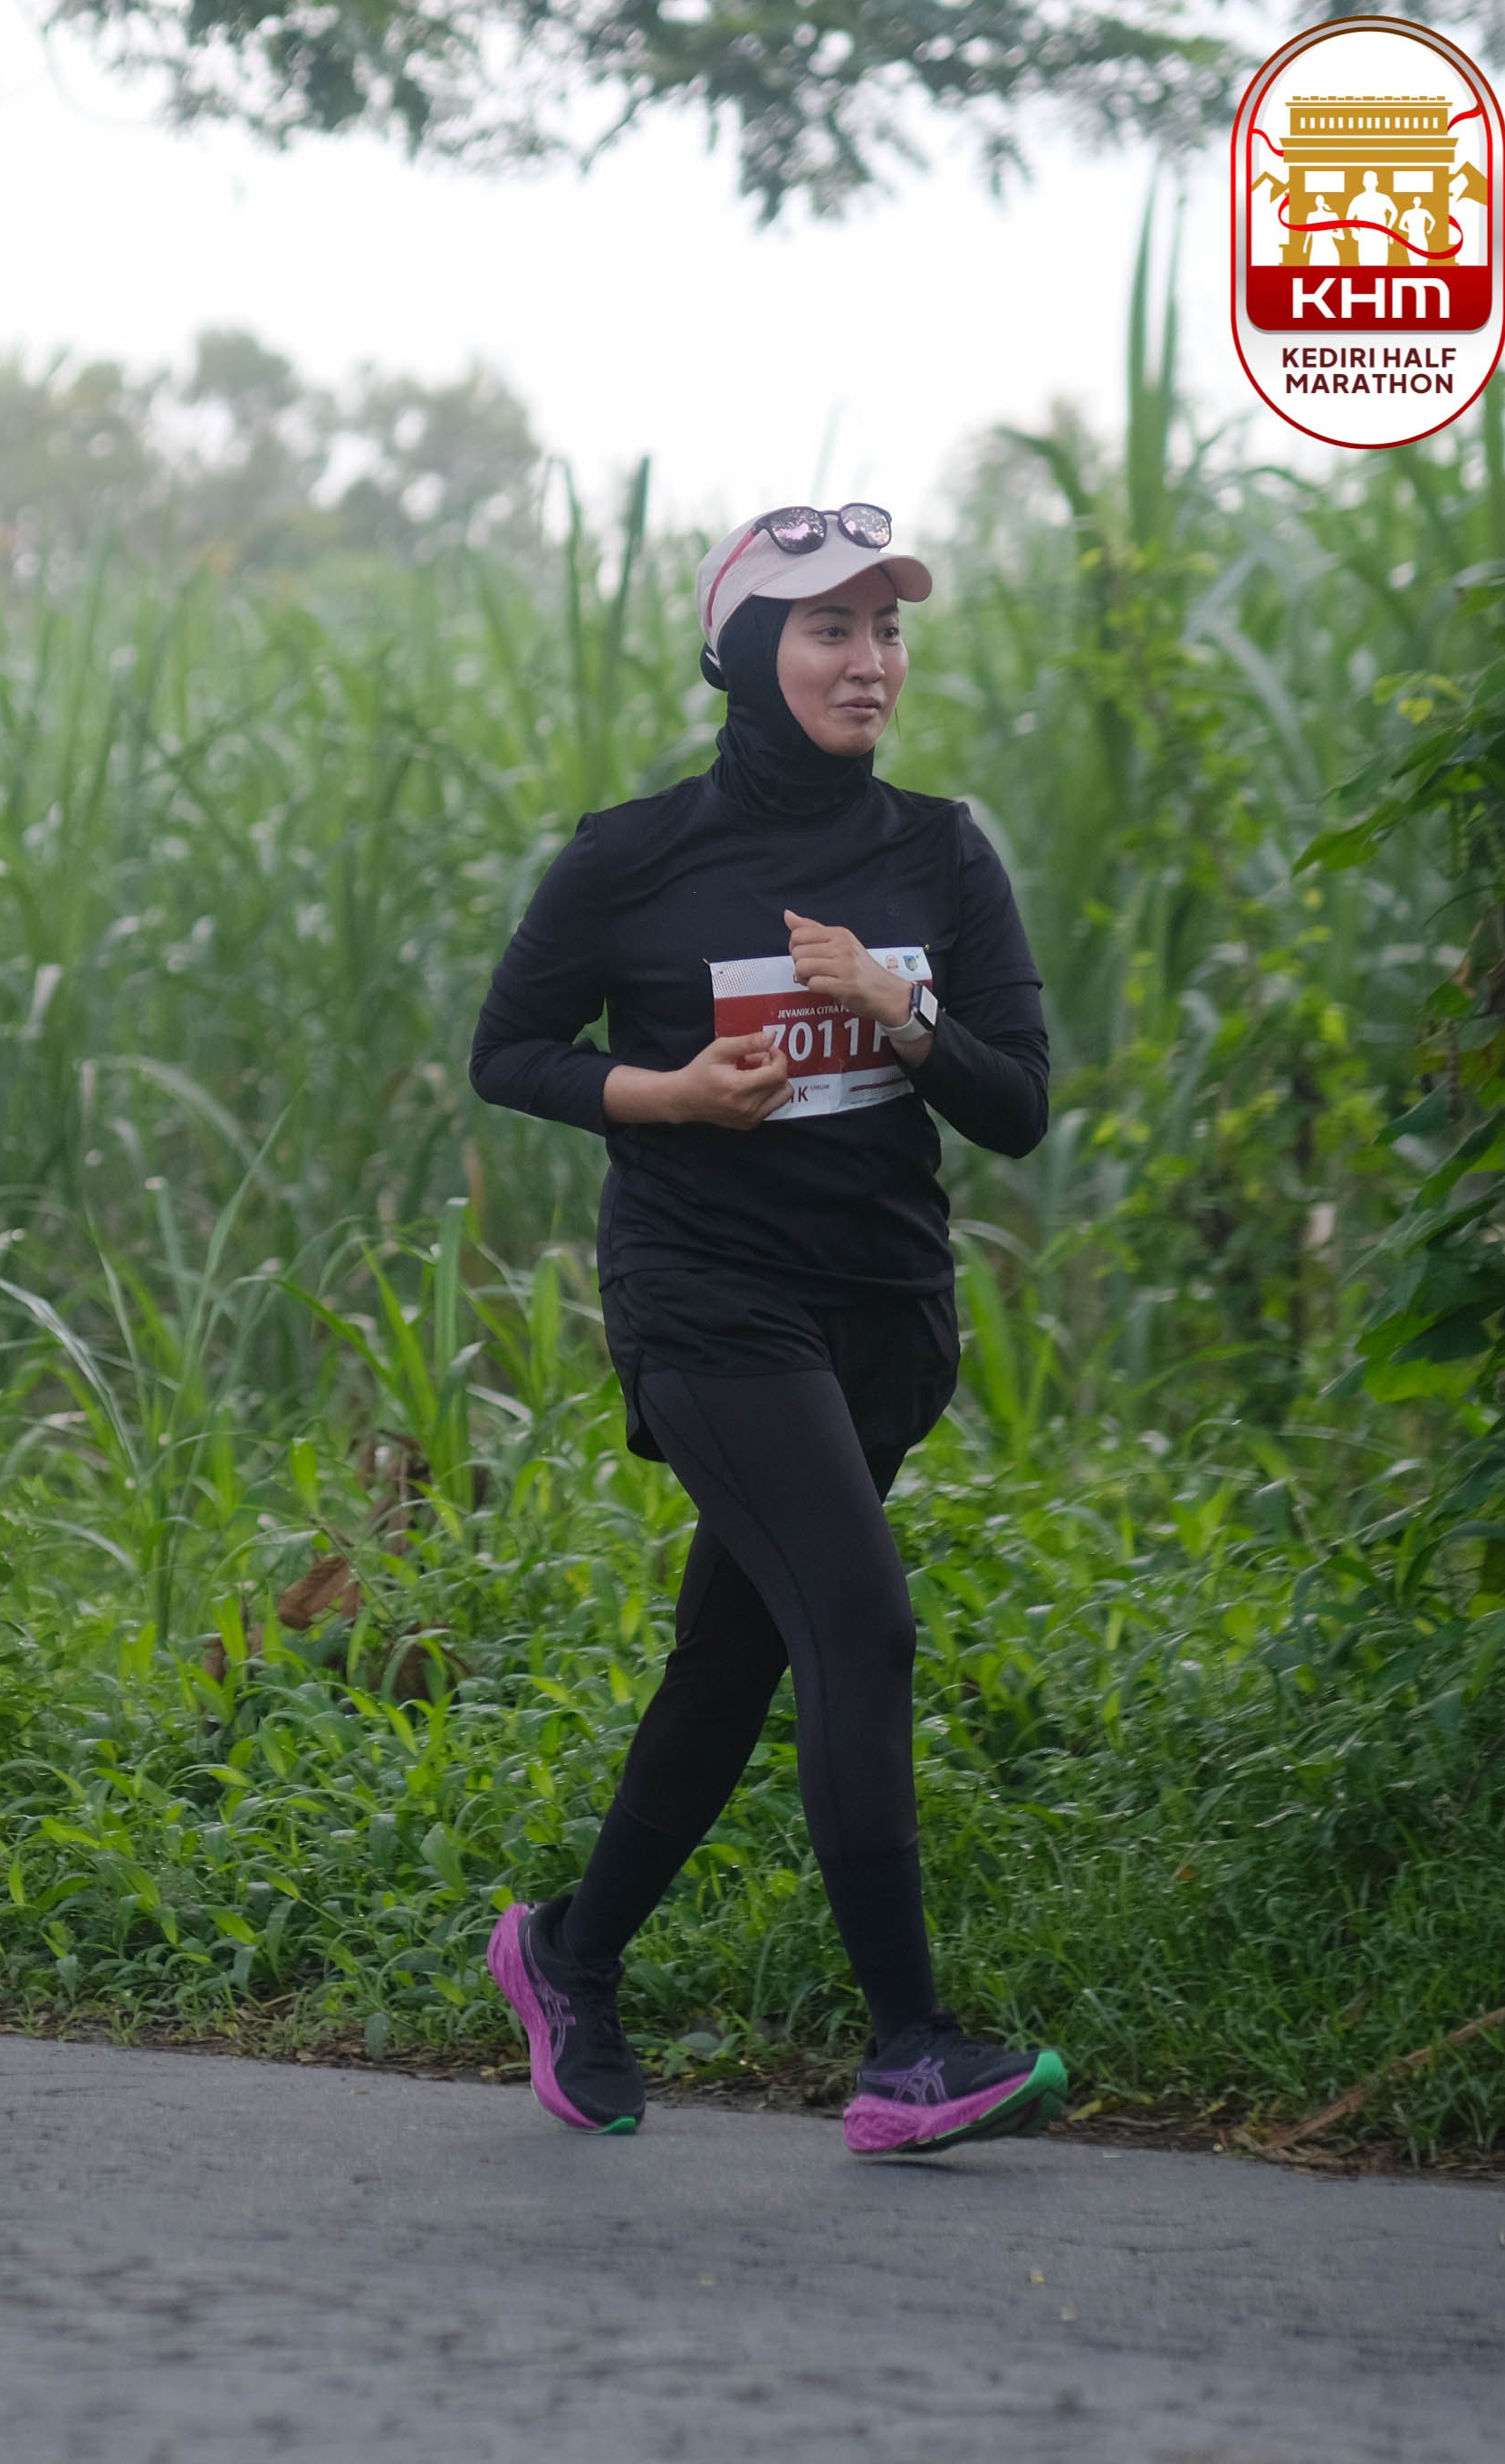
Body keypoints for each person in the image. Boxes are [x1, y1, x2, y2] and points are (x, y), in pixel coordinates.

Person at [465, 503, 1066, 2159]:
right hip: (709, 1299)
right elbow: (507, 1050)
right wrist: (666, 1095)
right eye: (829, 630)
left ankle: (568, 1955)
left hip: (882, 1313)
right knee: (860, 1628)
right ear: (744, 652)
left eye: (887, 631)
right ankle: (908, 2051)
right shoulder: (635, 857)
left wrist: (903, 1011)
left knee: (735, 1661)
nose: (870, 663)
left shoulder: (942, 854)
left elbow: (1017, 1106)